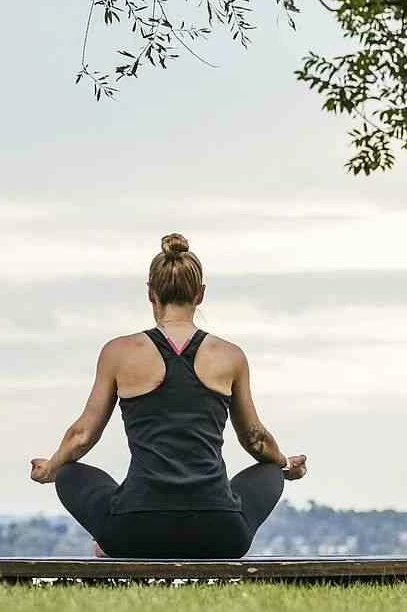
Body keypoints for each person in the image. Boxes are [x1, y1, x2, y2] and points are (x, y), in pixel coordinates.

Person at [29, 233, 307, 558]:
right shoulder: (230, 356)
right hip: (220, 532)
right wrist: (286, 464)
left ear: (151, 293)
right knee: (269, 468)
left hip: (133, 529)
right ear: (200, 294)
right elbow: (257, 440)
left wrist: (51, 468)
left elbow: (81, 437)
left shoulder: (119, 352)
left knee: (69, 470)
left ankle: (107, 544)